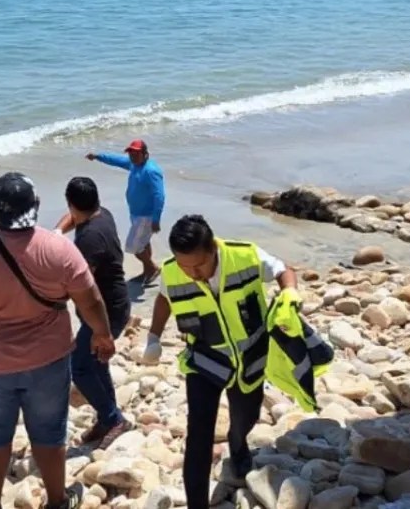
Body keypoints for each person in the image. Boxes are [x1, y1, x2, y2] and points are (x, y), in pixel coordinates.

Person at [0, 172, 115, 509]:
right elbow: (89, 300)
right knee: (48, 435)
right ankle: (58, 501)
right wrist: (102, 334)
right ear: (37, 206)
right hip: (48, 361)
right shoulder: (59, 249)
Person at [140, 215, 300, 509]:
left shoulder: (245, 255)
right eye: (186, 267)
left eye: (198, 266)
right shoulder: (174, 271)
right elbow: (164, 298)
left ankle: (237, 444)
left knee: (246, 415)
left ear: (213, 248)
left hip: (248, 359)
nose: (193, 274)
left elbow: (283, 270)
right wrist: (153, 337)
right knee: (198, 434)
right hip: (205, 359)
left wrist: (289, 293)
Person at [55, 177, 133, 447]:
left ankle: (113, 419)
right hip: (114, 305)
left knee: (80, 368)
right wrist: (57, 234)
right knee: (97, 363)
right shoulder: (102, 215)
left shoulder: (89, 239)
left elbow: (81, 285)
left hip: (106, 312)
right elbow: (72, 218)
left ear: (71, 202)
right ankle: (108, 416)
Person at [86, 139, 166, 284]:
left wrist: (156, 219)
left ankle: (152, 268)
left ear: (145, 154)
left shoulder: (151, 171)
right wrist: (98, 156)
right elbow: (116, 160)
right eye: (130, 153)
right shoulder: (134, 165)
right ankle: (147, 271)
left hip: (146, 216)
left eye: (136, 153)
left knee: (133, 246)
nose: (132, 156)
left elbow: (159, 196)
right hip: (135, 213)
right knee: (143, 243)